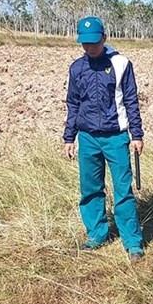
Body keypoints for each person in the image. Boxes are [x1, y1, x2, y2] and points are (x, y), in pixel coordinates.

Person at [63, 16, 145, 262]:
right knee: (90, 190)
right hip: (87, 138)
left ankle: (132, 242)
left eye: (94, 42)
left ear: (104, 38)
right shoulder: (77, 68)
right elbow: (73, 104)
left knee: (123, 190)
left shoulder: (121, 64)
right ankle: (97, 234)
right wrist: (69, 137)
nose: (90, 47)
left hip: (116, 137)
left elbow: (131, 100)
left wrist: (137, 134)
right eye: (85, 43)